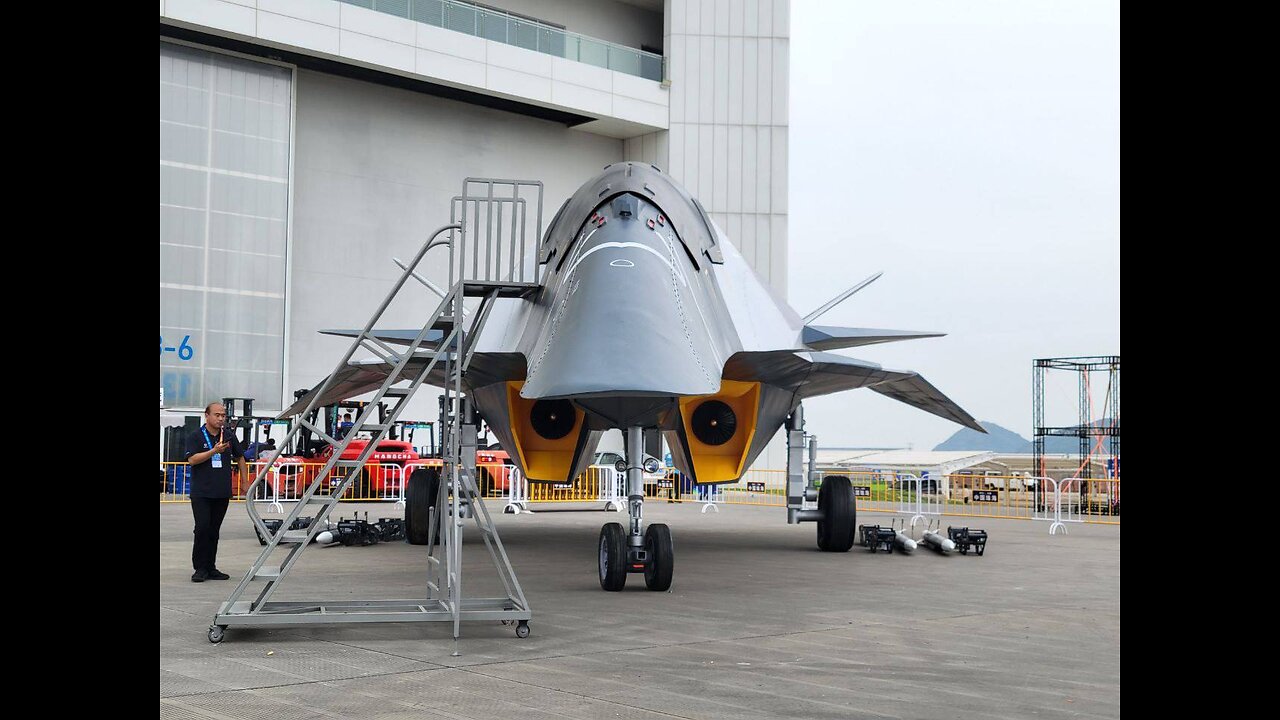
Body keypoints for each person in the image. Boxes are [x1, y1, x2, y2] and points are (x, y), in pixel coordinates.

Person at [185, 402, 248, 582]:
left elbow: (240, 457)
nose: (221, 419)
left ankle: (211, 566)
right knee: (202, 528)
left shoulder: (228, 436)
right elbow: (192, 460)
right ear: (207, 415)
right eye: (217, 415)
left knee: (214, 530)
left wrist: (245, 481)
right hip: (202, 492)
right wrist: (214, 451)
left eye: (223, 415)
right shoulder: (196, 436)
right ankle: (200, 568)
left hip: (221, 491)